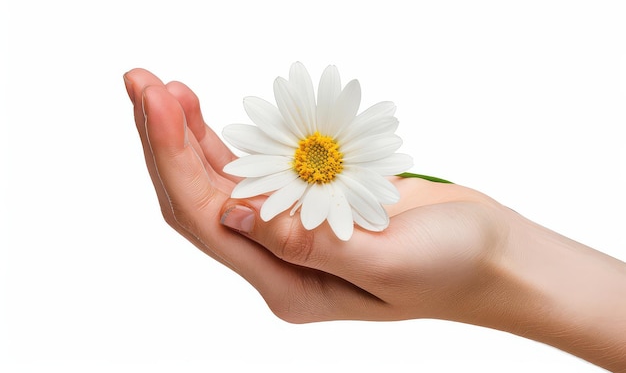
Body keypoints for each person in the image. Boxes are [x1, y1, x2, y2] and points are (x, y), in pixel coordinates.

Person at [123, 68, 626, 372]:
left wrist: (496, 262)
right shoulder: (310, 164)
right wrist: (503, 245)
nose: (317, 159)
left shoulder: (340, 160)